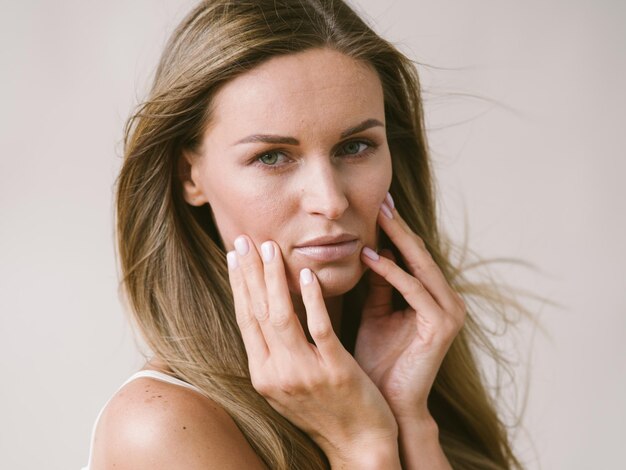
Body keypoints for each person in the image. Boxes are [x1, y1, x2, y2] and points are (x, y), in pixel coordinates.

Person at [84, 1, 523, 468]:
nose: (331, 201)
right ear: (190, 177)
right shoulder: (162, 427)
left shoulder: (406, 372)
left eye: (355, 147)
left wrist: (408, 418)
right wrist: (363, 444)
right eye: (272, 156)